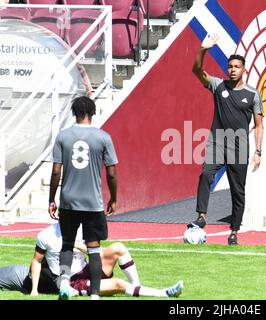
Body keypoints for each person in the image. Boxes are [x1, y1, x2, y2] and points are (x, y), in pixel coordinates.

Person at [188, 33, 264, 245]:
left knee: (237, 191)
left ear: (244, 69)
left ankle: (234, 232)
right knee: (205, 174)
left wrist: (258, 151)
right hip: (217, 142)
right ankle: (202, 216)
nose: (232, 70)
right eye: (230, 66)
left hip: (240, 146)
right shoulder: (218, 86)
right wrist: (203, 49)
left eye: (236, 67)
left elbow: (259, 125)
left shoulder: (253, 94)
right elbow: (196, 71)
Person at [49, 96, 118, 300]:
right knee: (93, 247)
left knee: (67, 244)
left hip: (69, 201)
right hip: (92, 203)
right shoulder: (103, 137)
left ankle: (63, 283)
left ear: (74, 113)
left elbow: (55, 172)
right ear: (93, 112)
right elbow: (112, 173)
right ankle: (95, 295)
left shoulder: (62, 136)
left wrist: (52, 199)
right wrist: (113, 198)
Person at [0, 223, 183, 298]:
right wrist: (33, 291)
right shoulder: (46, 235)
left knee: (118, 247)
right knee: (118, 283)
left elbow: (96, 251)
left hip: (87, 267)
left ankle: (137, 285)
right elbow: (37, 261)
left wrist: (78, 245)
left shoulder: (81, 228)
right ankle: (164, 293)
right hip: (72, 281)